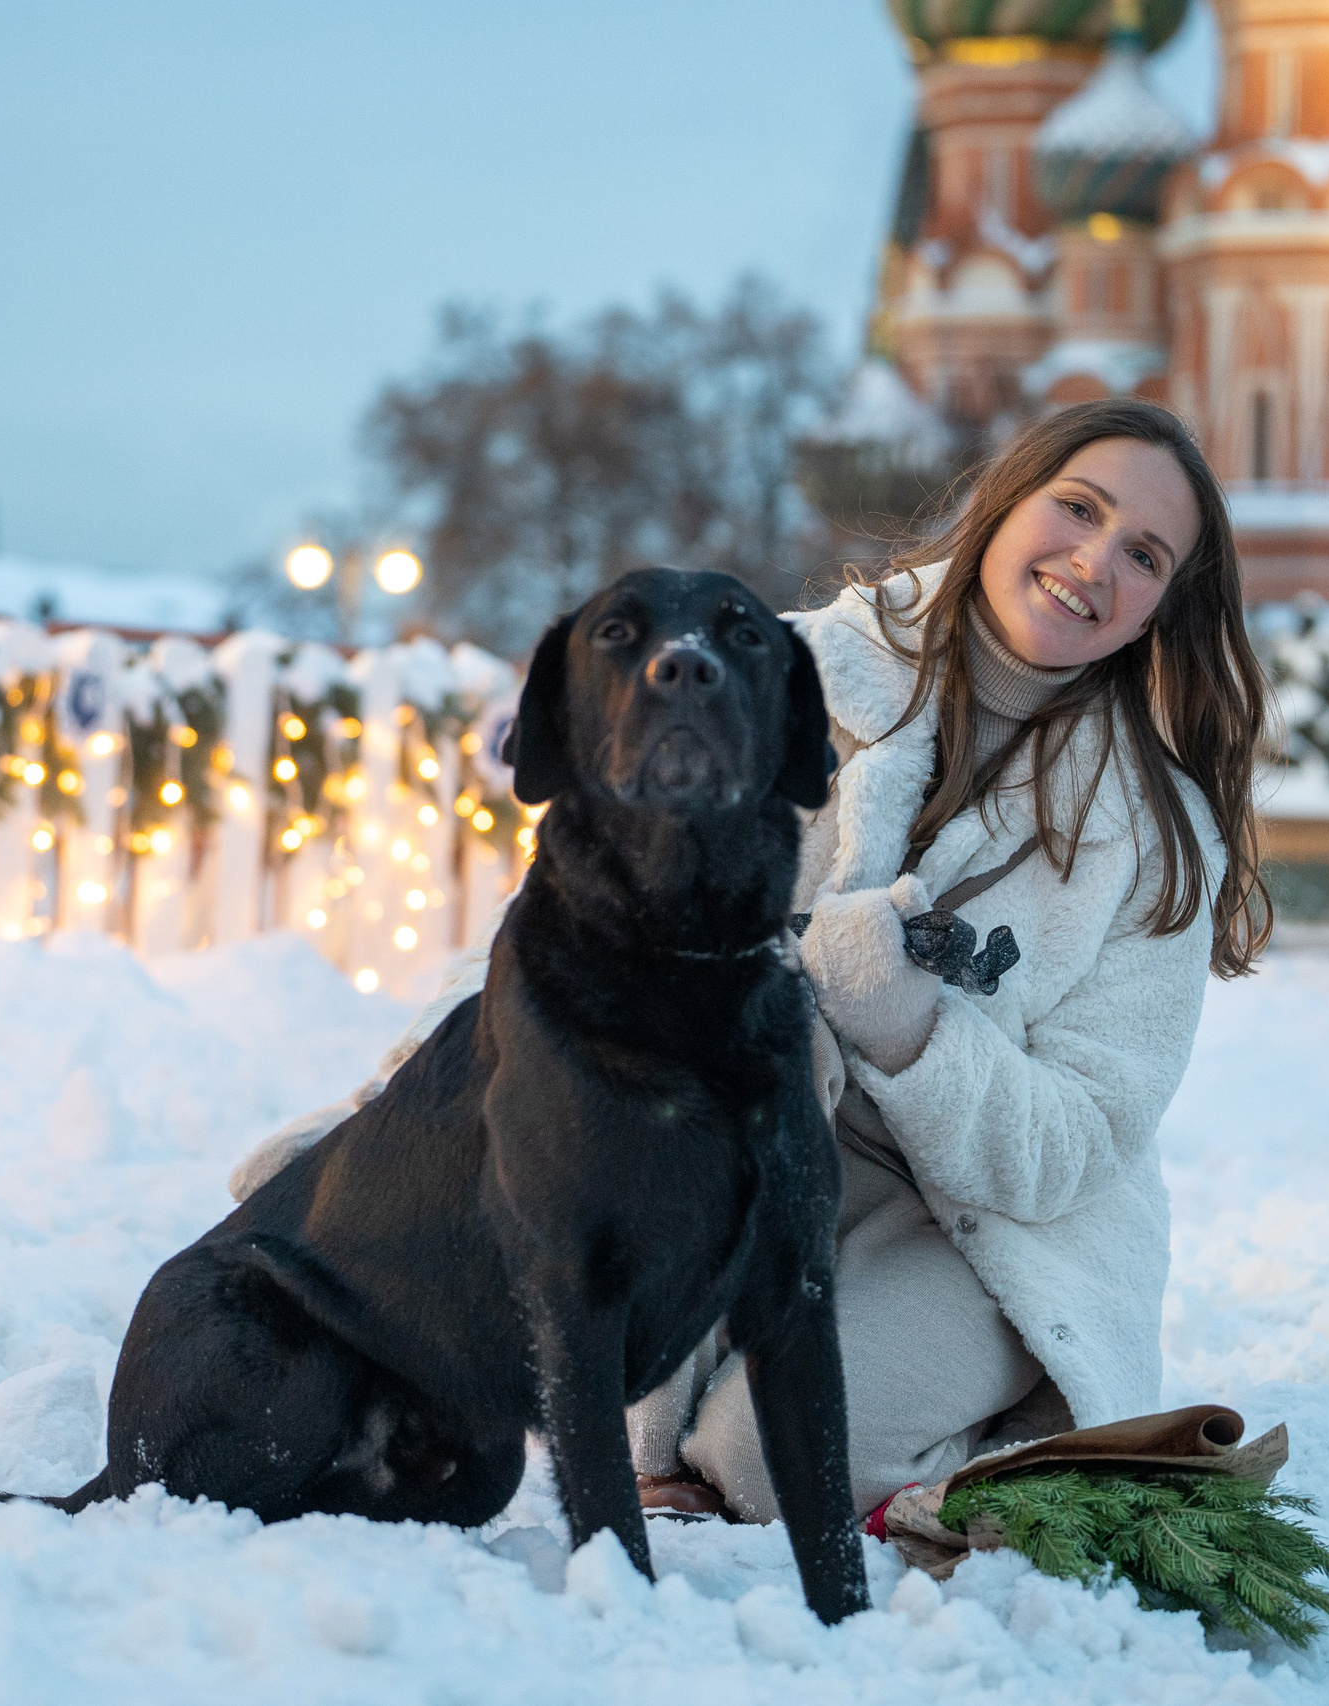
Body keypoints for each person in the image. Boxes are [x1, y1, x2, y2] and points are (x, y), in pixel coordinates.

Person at [229, 398, 1271, 1525]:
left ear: (1165, 605)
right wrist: (380, 1118)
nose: (1094, 561)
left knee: (768, 1460)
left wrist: (910, 1030)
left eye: (1145, 555)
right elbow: (571, 927)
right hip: (745, 1157)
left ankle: (1003, 1429)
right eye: (1078, 507)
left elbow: (1079, 1139)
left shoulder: (1157, 835)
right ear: (1007, 498)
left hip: (982, 1237)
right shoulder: (768, 669)